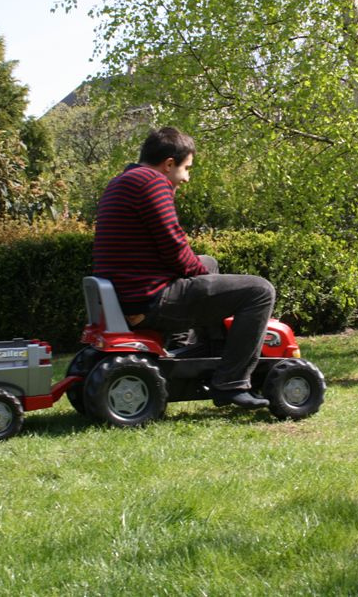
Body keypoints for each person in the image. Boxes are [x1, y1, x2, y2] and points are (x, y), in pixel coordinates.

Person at [92, 126, 275, 408]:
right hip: (149, 300)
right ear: (168, 164)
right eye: (186, 168)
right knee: (260, 291)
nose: (187, 178)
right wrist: (203, 279)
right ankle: (231, 383)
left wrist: (203, 275)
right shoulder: (151, 183)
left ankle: (206, 350)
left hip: (129, 294)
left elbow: (168, 251)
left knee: (208, 262)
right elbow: (175, 247)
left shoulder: (123, 181)